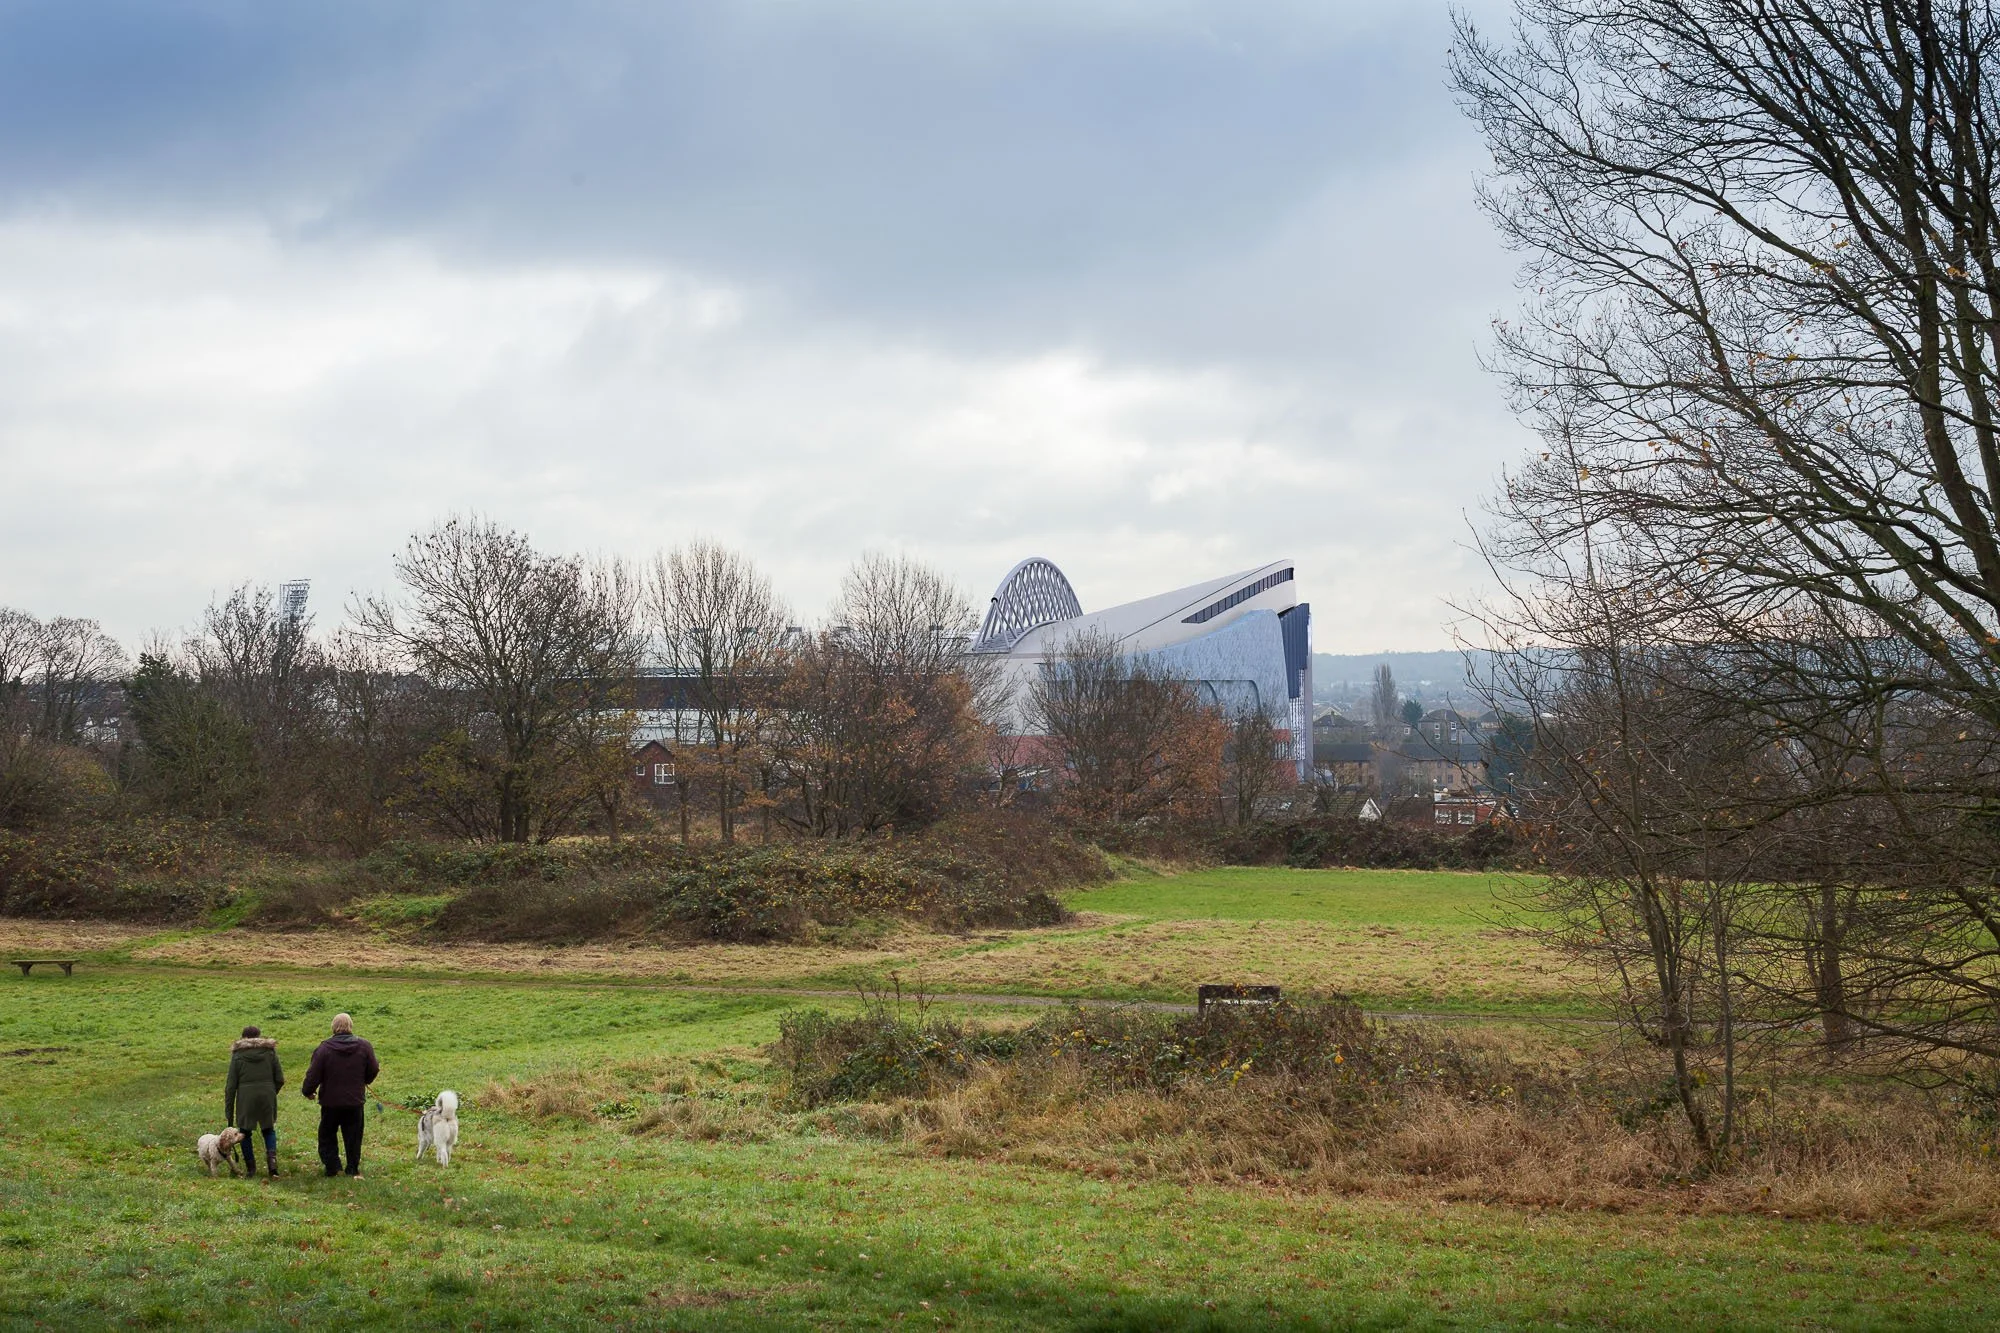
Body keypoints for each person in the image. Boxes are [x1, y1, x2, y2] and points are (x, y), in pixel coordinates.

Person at [301, 1012, 379, 1178]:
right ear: (350, 1026)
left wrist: (308, 1091)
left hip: (330, 1101)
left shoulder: (324, 1049)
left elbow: (313, 1074)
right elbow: (374, 1068)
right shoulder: (364, 1046)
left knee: (327, 1135)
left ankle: (333, 1167)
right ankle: (352, 1167)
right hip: (355, 1101)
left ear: (333, 1027)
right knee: (353, 1136)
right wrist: (364, 1080)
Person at [224, 1025, 284, 1178]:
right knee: (268, 1129)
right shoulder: (270, 1052)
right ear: (259, 1036)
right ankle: (272, 1166)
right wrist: (271, 1092)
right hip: (267, 1095)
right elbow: (280, 1079)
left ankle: (251, 1169)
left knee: (244, 1132)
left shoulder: (237, 1055)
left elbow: (230, 1086)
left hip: (246, 1098)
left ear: (243, 1037)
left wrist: (229, 1114)